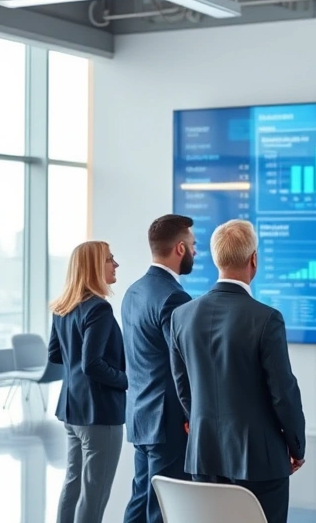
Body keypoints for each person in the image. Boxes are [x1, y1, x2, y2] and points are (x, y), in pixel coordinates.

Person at [170, 219, 306, 523]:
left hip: (204, 456)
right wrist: (296, 446)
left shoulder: (181, 316)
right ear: (253, 259)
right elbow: (283, 392)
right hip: (259, 462)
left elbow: (183, 386)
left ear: (216, 259)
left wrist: (200, 424)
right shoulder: (266, 318)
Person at [122, 214, 198, 523]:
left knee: (141, 499)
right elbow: (183, 364)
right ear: (180, 248)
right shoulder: (174, 297)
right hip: (168, 422)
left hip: (140, 415)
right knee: (163, 510)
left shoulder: (133, 291)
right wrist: (191, 414)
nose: (195, 251)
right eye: (193, 245)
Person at [48, 240, 127, 523]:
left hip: (73, 411)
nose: (116, 264)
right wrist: (127, 380)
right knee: (94, 493)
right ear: (94, 266)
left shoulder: (62, 307)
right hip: (99, 413)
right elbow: (92, 364)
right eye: (110, 259)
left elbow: (55, 354)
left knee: (73, 484)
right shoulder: (99, 309)